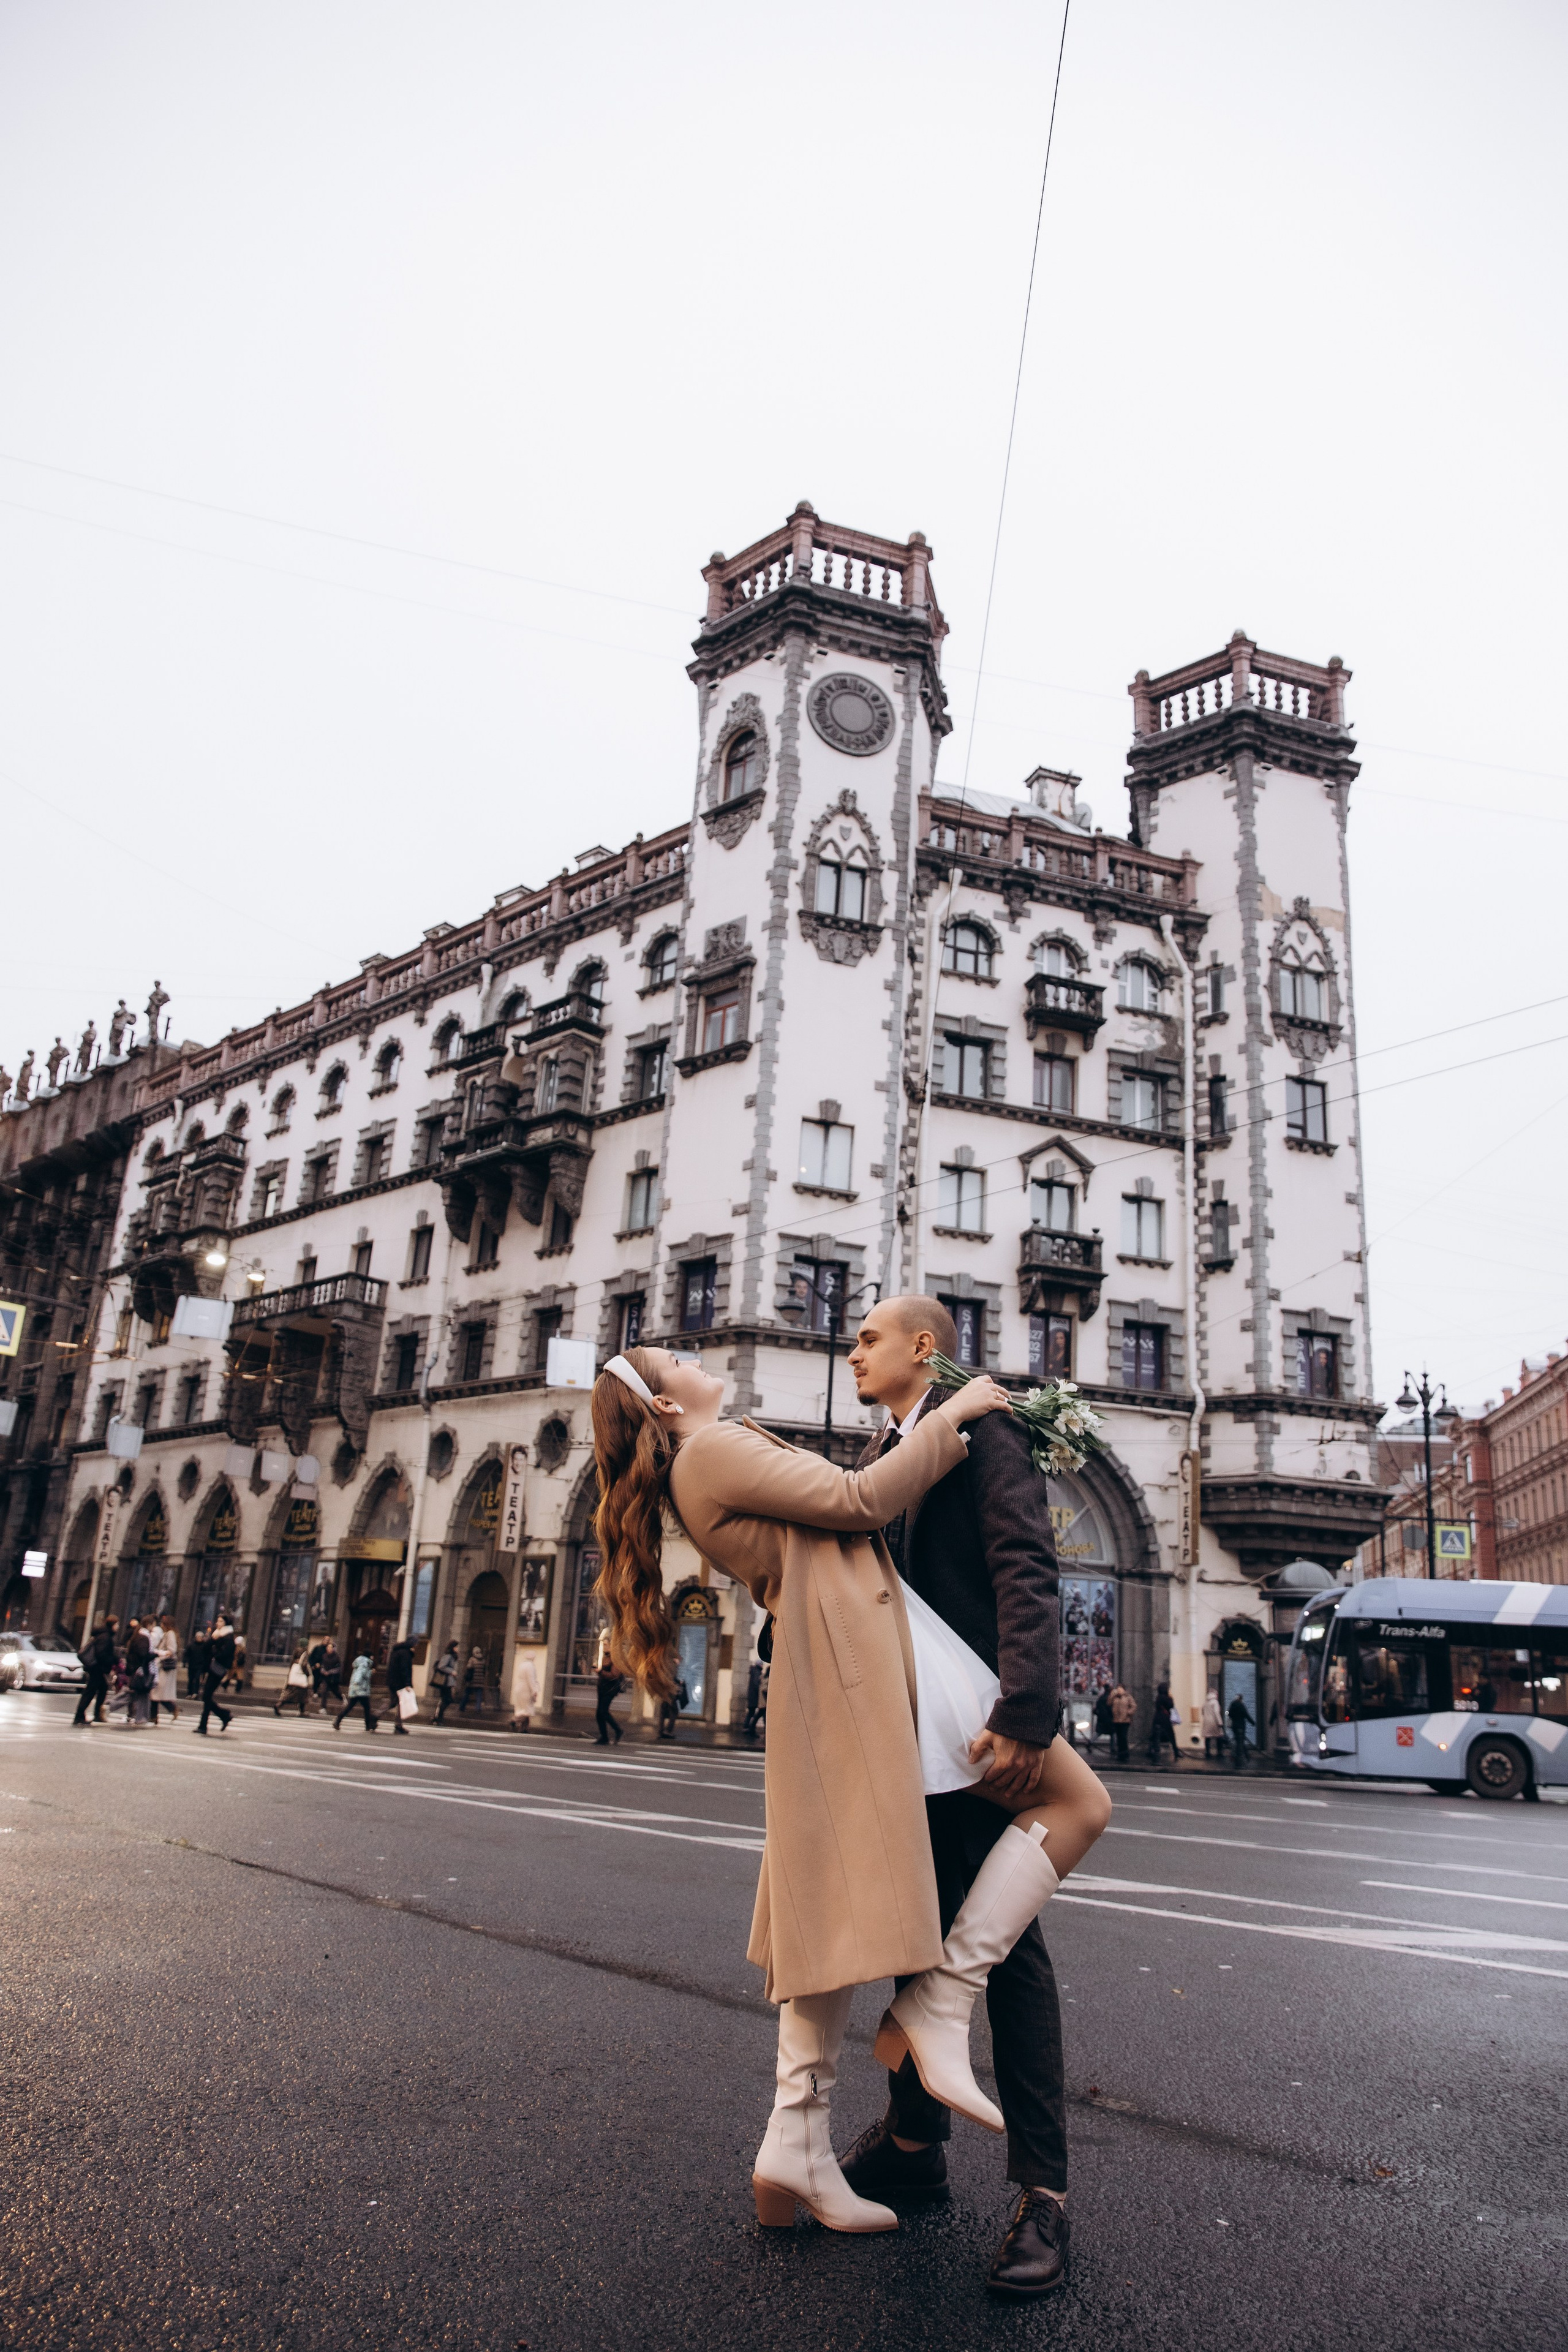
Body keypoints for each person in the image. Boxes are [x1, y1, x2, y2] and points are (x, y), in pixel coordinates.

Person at [590, 1338, 1039, 2245]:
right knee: (836, 1900)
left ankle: (797, 2142)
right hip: (856, 1667)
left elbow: (839, 1500)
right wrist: (954, 1414)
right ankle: (933, 2010)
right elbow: (856, 1501)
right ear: (666, 1405)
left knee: (824, 1907)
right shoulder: (711, 1452)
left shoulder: (716, 1448)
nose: (694, 1354)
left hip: (844, 1662)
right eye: (675, 1357)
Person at [835, 1294, 1112, 2299]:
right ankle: (914, 2143)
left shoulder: (981, 1425)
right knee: (920, 1928)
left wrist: (1029, 1710)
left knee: (1012, 1958)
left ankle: (1046, 2198)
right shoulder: (896, 1445)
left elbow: (1025, 1564)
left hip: (986, 1731)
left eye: (868, 1337)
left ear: (923, 1348)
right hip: (919, 1737)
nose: (853, 1350)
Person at [194, 1613, 236, 1735]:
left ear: (226, 1623)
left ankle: (211, 1722)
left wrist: (214, 1651)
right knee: (206, 1696)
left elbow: (225, 1654)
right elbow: (205, 1648)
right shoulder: (217, 1635)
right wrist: (213, 1639)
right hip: (212, 1668)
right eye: (218, 1621)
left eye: (221, 1621)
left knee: (206, 1696)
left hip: (218, 1669)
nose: (218, 1623)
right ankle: (222, 1716)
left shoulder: (228, 1637)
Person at [73, 1615, 117, 1725]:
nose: (118, 1627)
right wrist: (112, 1660)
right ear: (112, 1625)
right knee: (90, 1692)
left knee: (102, 1689)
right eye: (117, 1624)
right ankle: (79, 1716)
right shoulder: (105, 1637)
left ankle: (95, 1714)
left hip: (96, 1668)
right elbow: (101, 1653)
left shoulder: (102, 1635)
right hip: (97, 1668)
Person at [335, 1649, 377, 1732]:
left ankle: (338, 1720)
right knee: (366, 1708)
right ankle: (369, 1725)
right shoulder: (365, 1663)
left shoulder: (360, 1662)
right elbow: (361, 1673)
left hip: (356, 1689)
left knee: (352, 1706)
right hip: (361, 1689)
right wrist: (371, 1672)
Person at [123, 1619, 154, 1728]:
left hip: (135, 1668)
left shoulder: (137, 1636)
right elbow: (143, 1654)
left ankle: (141, 1717)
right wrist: (155, 1655)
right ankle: (110, 1706)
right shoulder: (143, 1637)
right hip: (140, 1670)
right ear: (149, 1625)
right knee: (135, 1693)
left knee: (139, 1693)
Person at [151, 1615, 180, 1724]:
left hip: (164, 1667)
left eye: (163, 1623)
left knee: (156, 1692)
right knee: (156, 1693)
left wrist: (159, 1653)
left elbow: (172, 1650)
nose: (161, 1625)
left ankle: (170, 1709)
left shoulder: (170, 1634)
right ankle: (155, 1716)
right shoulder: (167, 1634)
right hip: (162, 1667)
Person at [1147, 1679, 1180, 1768]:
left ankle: (1151, 1751)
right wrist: (1171, 1697)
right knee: (1171, 1735)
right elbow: (1171, 1706)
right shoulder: (1166, 1698)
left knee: (1155, 1736)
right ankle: (1176, 1752)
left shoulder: (1159, 1697)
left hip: (1158, 1718)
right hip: (1165, 1719)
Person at [386, 1635, 415, 1735]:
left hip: (393, 1681)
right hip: (399, 1682)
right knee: (396, 1703)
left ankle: (398, 1725)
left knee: (396, 1703)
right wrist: (407, 1684)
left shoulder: (398, 1651)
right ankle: (375, 1715)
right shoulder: (405, 1653)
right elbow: (405, 1669)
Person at [274, 1645, 313, 1718]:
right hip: (300, 1680)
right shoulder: (304, 1654)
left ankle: (301, 1711)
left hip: (294, 1677)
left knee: (299, 1696)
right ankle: (279, 1705)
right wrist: (308, 1674)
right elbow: (304, 1666)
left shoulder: (295, 1654)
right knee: (298, 1695)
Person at [595, 1654, 625, 1745]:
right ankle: (604, 1737)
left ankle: (618, 1730)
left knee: (604, 1711)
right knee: (599, 1714)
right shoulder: (604, 1657)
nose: (604, 1646)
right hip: (602, 1688)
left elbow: (614, 1675)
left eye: (606, 1644)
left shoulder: (616, 1659)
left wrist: (601, 1672)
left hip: (610, 1689)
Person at [510, 1648, 540, 1733]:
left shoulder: (522, 1665)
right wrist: (534, 1691)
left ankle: (524, 1729)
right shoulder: (530, 1666)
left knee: (523, 1709)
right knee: (527, 1711)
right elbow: (531, 1680)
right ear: (532, 1657)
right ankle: (514, 1721)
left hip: (519, 1689)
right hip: (526, 1690)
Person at [431, 1639, 461, 1723]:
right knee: (447, 1699)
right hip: (445, 1682)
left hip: (448, 1682)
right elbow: (441, 1666)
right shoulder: (448, 1656)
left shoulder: (452, 1656)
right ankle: (439, 1717)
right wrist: (452, 1672)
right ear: (453, 1648)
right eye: (456, 1647)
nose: (458, 1649)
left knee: (445, 1700)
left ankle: (438, 1717)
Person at [1227, 1689, 1254, 1769]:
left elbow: (1229, 1714)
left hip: (1234, 1726)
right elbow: (1246, 1715)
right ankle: (1241, 1757)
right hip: (1241, 1726)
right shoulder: (1241, 1705)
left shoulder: (1232, 1705)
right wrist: (1253, 1722)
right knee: (1240, 1742)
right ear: (1241, 1699)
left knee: (1238, 1741)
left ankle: (1243, 1756)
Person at [1107, 1683, 1134, 1764]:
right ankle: (1120, 1754)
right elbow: (1108, 1703)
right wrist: (1112, 1695)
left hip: (1125, 1721)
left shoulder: (1128, 1697)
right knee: (1119, 1738)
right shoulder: (1114, 1697)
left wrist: (1128, 1713)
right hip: (1116, 1720)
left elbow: (1133, 1706)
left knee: (1123, 1737)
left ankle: (1125, 1753)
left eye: (1120, 1688)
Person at [459, 1644, 487, 1714]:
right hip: (480, 1680)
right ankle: (478, 1709)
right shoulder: (483, 1660)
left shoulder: (472, 1659)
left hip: (472, 1680)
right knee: (479, 1695)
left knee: (467, 1694)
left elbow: (468, 1668)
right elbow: (484, 1670)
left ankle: (462, 1707)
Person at [743, 1657, 766, 1741]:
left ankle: (747, 1727)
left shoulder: (754, 1671)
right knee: (752, 1712)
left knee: (751, 1712)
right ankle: (747, 1728)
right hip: (754, 1696)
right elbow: (757, 1684)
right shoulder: (757, 1672)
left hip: (752, 1695)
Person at [186, 1624, 211, 1700]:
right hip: (192, 1664)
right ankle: (189, 1693)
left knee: (197, 1679)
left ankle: (195, 1693)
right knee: (190, 1679)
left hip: (200, 1665)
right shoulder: (191, 1645)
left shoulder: (204, 1646)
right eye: (198, 1637)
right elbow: (187, 1654)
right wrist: (186, 1661)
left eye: (201, 1637)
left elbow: (207, 1656)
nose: (200, 1638)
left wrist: (205, 1665)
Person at [1201, 1686, 1225, 1762]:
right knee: (1219, 1736)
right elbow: (1217, 1713)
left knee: (1208, 1737)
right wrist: (1220, 1723)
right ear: (1216, 1695)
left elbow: (1202, 1711)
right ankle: (1220, 1752)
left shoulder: (1206, 1702)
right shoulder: (1215, 1702)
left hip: (1206, 1721)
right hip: (1214, 1722)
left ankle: (1208, 1752)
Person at [318, 1638, 343, 1709]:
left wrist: (329, 1672)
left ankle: (342, 1698)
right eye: (328, 1648)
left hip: (333, 1678)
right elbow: (322, 1665)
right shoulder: (324, 1656)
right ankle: (323, 1707)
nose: (329, 1649)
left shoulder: (337, 1657)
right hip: (325, 1677)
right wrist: (323, 1671)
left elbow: (338, 1668)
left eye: (330, 1648)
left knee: (336, 1691)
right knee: (324, 1691)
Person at [1091, 1685, 1113, 1755]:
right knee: (1112, 1733)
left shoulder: (1101, 1698)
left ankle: (1090, 1743)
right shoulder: (1109, 1698)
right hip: (1108, 1719)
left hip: (1101, 1718)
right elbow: (1110, 1709)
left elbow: (1096, 1709)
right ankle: (1113, 1749)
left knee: (1099, 1733)